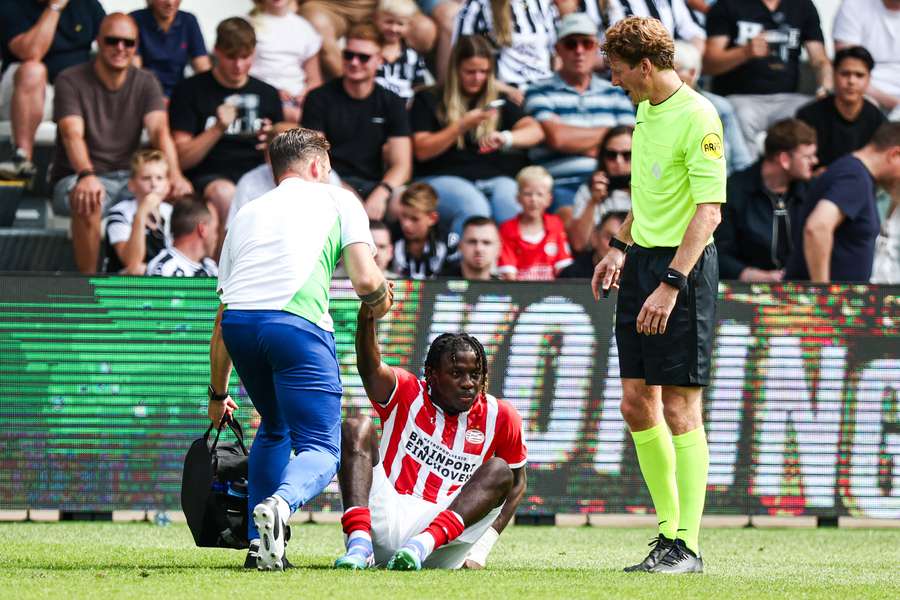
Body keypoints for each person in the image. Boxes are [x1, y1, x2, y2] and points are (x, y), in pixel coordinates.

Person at [208, 128, 393, 571]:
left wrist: (217, 396)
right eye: (327, 168)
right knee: (323, 449)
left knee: (274, 427)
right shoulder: (339, 198)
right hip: (294, 325)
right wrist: (383, 299)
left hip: (240, 326)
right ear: (316, 166)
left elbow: (222, 315)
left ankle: (260, 547)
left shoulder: (247, 212)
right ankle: (281, 504)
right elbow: (367, 281)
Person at [592, 16, 726, 573]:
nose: (616, 81)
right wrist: (620, 247)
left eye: (619, 71)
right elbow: (648, 198)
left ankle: (687, 546)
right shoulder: (646, 109)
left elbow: (709, 211)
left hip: (682, 270)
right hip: (643, 260)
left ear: (644, 66)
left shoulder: (699, 116)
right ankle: (669, 534)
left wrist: (672, 284)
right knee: (635, 402)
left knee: (679, 405)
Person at [332, 306, 527, 570]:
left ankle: (419, 546)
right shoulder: (407, 391)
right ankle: (359, 544)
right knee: (356, 426)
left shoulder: (501, 415)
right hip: (386, 517)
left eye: (475, 374)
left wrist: (481, 550)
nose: (469, 383)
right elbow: (370, 368)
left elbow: (517, 485)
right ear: (432, 374)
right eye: (457, 374)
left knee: (501, 470)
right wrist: (367, 314)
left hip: (441, 537)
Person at [51, 12, 191, 275]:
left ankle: (166, 285)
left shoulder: (146, 81)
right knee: (88, 197)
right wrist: (87, 174)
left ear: (136, 46)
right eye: (112, 41)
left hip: (128, 178)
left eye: (128, 43)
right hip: (77, 176)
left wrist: (176, 175)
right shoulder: (70, 79)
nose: (120, 48)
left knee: (178, 198)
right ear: (98, 41)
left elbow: (160, 130)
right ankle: (89, 287)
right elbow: (72, 133)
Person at [169, 16, 285, 251]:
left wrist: (273, 140)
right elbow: (181, 158)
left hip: (259, 175)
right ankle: (223, 279)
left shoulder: (268, 93)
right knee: (226, 194)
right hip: (210, 176)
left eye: (245, 57)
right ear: (216, 51)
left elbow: (288, 149)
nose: (239, 65)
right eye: (231, 57)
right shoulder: (191, 90)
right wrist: (217, 128)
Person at [410, 35, 543, 237]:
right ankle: (459, 265)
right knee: (474, 207)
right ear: (455, 70)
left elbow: (535, 131)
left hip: (495, 178)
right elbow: (422, 150)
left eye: (484, 72)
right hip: (443, 177)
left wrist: (505, 137)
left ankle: (513, 264)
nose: (478, 78)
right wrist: (460, 126)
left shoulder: (497, 100)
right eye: (470, 71)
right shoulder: (428, 98)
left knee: (511, 204)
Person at [524, 13, 636, 223]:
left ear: (596, 48)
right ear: (557, 49)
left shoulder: (615, 91)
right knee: (573, 227)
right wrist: (609, 134)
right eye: (570, 44)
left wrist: (576, 139)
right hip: (561, 183)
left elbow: (630, 137)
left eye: (586, 43)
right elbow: (558, 138)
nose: (579, 50)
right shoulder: (538, 90)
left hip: (614, 181)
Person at [302, 24, 412, 221]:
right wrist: (345, 194)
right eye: (348, 55)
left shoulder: (392, 101)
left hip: (374, 185)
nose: (354, 62)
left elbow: (402, 165)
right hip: (331, 183)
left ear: (380, 60)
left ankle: (392, 252)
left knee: (403, 201)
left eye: (363, 57)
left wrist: (382, 192)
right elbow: (314, 158)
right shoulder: (318, 98)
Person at [702, 0, 832, 151]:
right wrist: (745, 52)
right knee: (739, 115)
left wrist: (825, 88)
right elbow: (707, 65)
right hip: (740, 99)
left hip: (787, 100)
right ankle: (746, 172)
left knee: (821, 112)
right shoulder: (728, 5)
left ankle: (811, 172)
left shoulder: (802, 6)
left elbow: (820, 60)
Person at [0, 0, 105, 179]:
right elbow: (32, 52)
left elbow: (113, 39)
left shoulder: (87, 5)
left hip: (73, 92)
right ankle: (22, 159)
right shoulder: (10, 5)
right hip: (25, 93)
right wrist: (54, 8)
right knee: (33, 70)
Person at [785, 122, 900, 283]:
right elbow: (817, 227)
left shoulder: (855, 173)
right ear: (895, 154)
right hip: (820, 304)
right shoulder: (855, 177)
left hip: (836, 302)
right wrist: (823, 293)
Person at [717, 119, 817, 282]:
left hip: (802, 288)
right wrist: (753, 275)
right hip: (744, 291)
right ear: (784, 159)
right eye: (808, 156)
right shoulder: (735, 190)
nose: (815, 161)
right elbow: (719, 252)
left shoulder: (811, 190)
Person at [796, 46, 887, 169]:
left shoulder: (877, 120)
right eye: (845, 74)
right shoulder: (808, 116)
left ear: (869, 79)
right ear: (834, 74)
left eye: (859, 75)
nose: (851, 81)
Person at [673, 40, 752, 176]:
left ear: (692, 73)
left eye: (675, 71)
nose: (667, 78)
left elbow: (741, 162)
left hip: (721, 188)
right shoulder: (649, 107)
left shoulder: (719, 107)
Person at [300, 0, 435, 78]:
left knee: (424, 29)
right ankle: (354, 87)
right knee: (317, 24)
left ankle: (408, 84)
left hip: (377, 6)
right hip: (329, 6)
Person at [453, 0, 557, 100]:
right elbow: (460, 63)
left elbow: (557, 57)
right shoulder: (477, 6)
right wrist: (508, 91)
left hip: (546, 90)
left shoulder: (543, 4)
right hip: (503, 92)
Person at [248, 0, 322, 123]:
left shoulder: (305, 28)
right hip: (263, 97)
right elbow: (240, 70)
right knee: (297, 118)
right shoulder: (248, 24)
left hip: (298, 100)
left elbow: (314, 79)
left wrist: (305, 95)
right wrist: (272, 92)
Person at [104, 149, 174, 275]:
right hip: (125, 285)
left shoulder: (171, 212)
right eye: (146, 178)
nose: (153, 184)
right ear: (131, 185)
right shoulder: (119, 213)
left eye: (159, 178)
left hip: (161, 279)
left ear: (167, 185)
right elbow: (132, 262)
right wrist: (141, 214)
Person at [497, 166, 573, 280]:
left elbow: (564, 268)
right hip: (519, 293)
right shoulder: (507, 229)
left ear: (549, 199)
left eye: (539, 194)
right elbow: (508, 275)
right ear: (518, 198)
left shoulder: (555, 224)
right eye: (528, 194)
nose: (533, 199)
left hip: (551, 295)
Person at [568, 125, 633, 252]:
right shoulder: (590, 190)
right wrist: (593, 201)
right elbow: (578, 244)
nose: (618, 161)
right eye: (611, 155)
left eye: (627, 155)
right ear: (603, 157)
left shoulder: (649, 189)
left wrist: (638, 197)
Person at [130, 0, 211, 98]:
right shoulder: (135, 20)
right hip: (144, 93)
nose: (170, 3)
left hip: (179, 94)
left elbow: (202, 68)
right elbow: (134, 71)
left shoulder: (189, 21)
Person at [833, 0, 900, 116]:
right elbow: (846, 69)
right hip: (868, 92)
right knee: (862, 105)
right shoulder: (854, 5)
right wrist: (895, 103)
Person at [391, 182, 454, 279]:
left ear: (432, 218)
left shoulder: (447, 242)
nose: (406, 224)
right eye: (403, 216)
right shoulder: (390, 236)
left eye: (414, 219)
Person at [374, 0, 433, 102]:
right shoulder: (370, 53)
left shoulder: (413, 57)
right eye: (389, 22)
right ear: (377, 19)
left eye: (400, 24)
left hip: (403, 111)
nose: (393, 28)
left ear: (409, 26)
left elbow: (419, 86)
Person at [146, 198, 219, 277]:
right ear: (202, 229)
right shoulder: (166, 269)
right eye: (215, 230)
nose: (216, 237)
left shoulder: (211, 267)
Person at [607, 0, 706, 52]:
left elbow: (693, 31)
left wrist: (690, 57)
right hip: (631, 71)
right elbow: (614, 44)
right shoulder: (615, 2)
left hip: (671, 65)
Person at [560, 211, 627, 278]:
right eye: (609, 237)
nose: (616, 246)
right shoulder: (571, 276)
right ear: (594, 238)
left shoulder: (636, 276)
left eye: (625, 241)